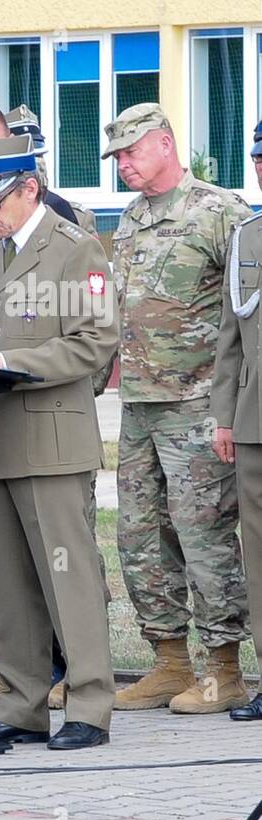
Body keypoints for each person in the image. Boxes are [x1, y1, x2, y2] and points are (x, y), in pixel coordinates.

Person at [0, 134, 117, 750]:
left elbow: (94, 342)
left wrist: (5, 360)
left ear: (30, 187)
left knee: (64, 575)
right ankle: (21, 702)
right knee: (7, 580)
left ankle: (89, 704)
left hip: (49, 439)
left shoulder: (74, 251)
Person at [105, 103, 253, 714]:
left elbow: (246, 315)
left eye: (132, 152)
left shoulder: (220, 212)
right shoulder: (131, 219)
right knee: (139, 535)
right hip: (138, 404)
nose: (123, 166)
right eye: (116, 157)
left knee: (205, 537)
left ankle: (223, 667)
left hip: (198, 405)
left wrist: (232, 407)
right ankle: (168, 660)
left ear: (166, 143)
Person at [207, 125, 262, 723]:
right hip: (254, 419)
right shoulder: (247, 238)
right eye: (258, 159)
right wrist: (223, 416)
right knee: (259, 557)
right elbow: (231, 340)